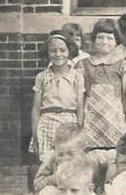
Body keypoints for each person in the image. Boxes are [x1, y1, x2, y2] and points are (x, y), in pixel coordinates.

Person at [29, 30, 84, 162]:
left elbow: (80, 107)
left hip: (69, 122)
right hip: (47, 123)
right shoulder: (42, 77)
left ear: (69, 51)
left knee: (69, 161)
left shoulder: (77, 76)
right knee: (48, 162)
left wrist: (79, 130)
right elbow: (36, 109)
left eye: (62, 50)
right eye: (53, 51)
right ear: (47, 53)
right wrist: (35, 133)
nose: (58, 54)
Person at [34, 123, 115, 195]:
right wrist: (53, 179)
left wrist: (108, 168)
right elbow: (37, 184)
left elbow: (118, 154)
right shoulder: (52, 159)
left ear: (84, 151)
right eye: (60, 154)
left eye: (71, 154)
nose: (65, 159)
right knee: (46, 193)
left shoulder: (93, 158)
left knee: (111, 192)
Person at [76, 18, 126, 151]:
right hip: (91, 119)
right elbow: (79, 96)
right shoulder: (84, 64)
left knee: (114, 154)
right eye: (100, 37)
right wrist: (80, 119)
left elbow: (125, 96)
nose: (104, 42)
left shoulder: (122, 65)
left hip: (114, 119)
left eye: (110, 38)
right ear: (94, 39)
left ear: (117, 41)